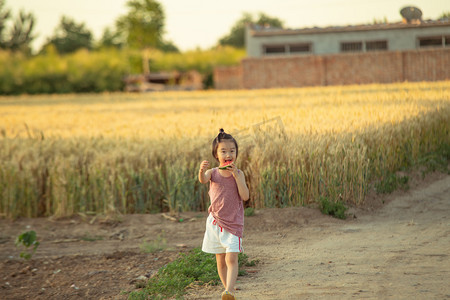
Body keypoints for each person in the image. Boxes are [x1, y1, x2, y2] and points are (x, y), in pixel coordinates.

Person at [198, 128, 250, 300]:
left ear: (236, 153)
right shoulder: (213, 173)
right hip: (215, 223)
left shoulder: (239, 173)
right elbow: (203, 179)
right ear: (216, 155)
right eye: (224, 151)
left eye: (232, 151)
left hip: (233, 224)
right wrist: (201, 170)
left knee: (231, 258)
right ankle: (227, 290)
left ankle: (230, 290)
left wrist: (236, 177)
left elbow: (245, 196)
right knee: (220, 261)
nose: (229, 154)